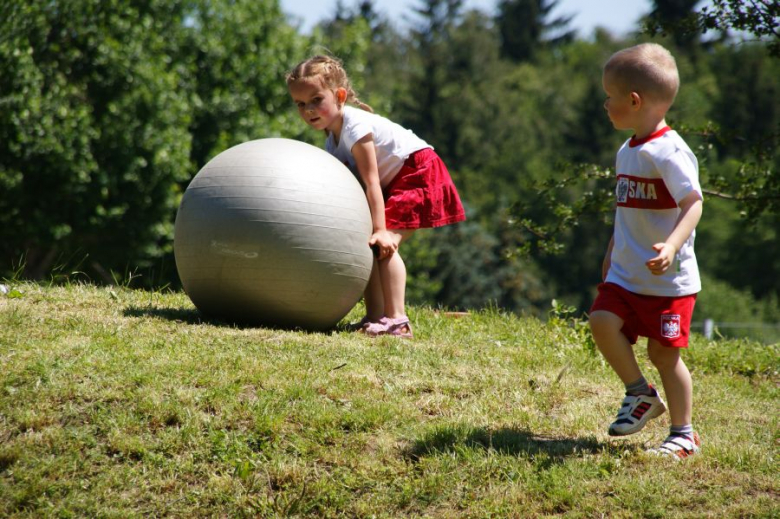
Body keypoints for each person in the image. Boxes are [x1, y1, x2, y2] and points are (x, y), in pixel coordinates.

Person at [286, 55, 466, 338]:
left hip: (418, 172)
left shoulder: (355, 127)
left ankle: (397, 320)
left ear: (340, 95)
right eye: (300, 104)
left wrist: (381, 229)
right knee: (367, 246)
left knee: (384, 245)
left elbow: (371, 182)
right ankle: (375, 317)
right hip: (395, 182)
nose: (308, 110)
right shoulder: (332, 142)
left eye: (316, 99)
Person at [589, 43, 704, 459]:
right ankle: (640, 394)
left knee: (663, 353)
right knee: (602, 321)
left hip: (667, 281)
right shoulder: (627, 150)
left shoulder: (669, 151)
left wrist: (672, 246)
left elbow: (694, 203)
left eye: (610, 96)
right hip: (626, 273)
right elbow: (626, 209)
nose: (605, 104)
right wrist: (611, 251)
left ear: (634, 101)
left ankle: (683, 434)